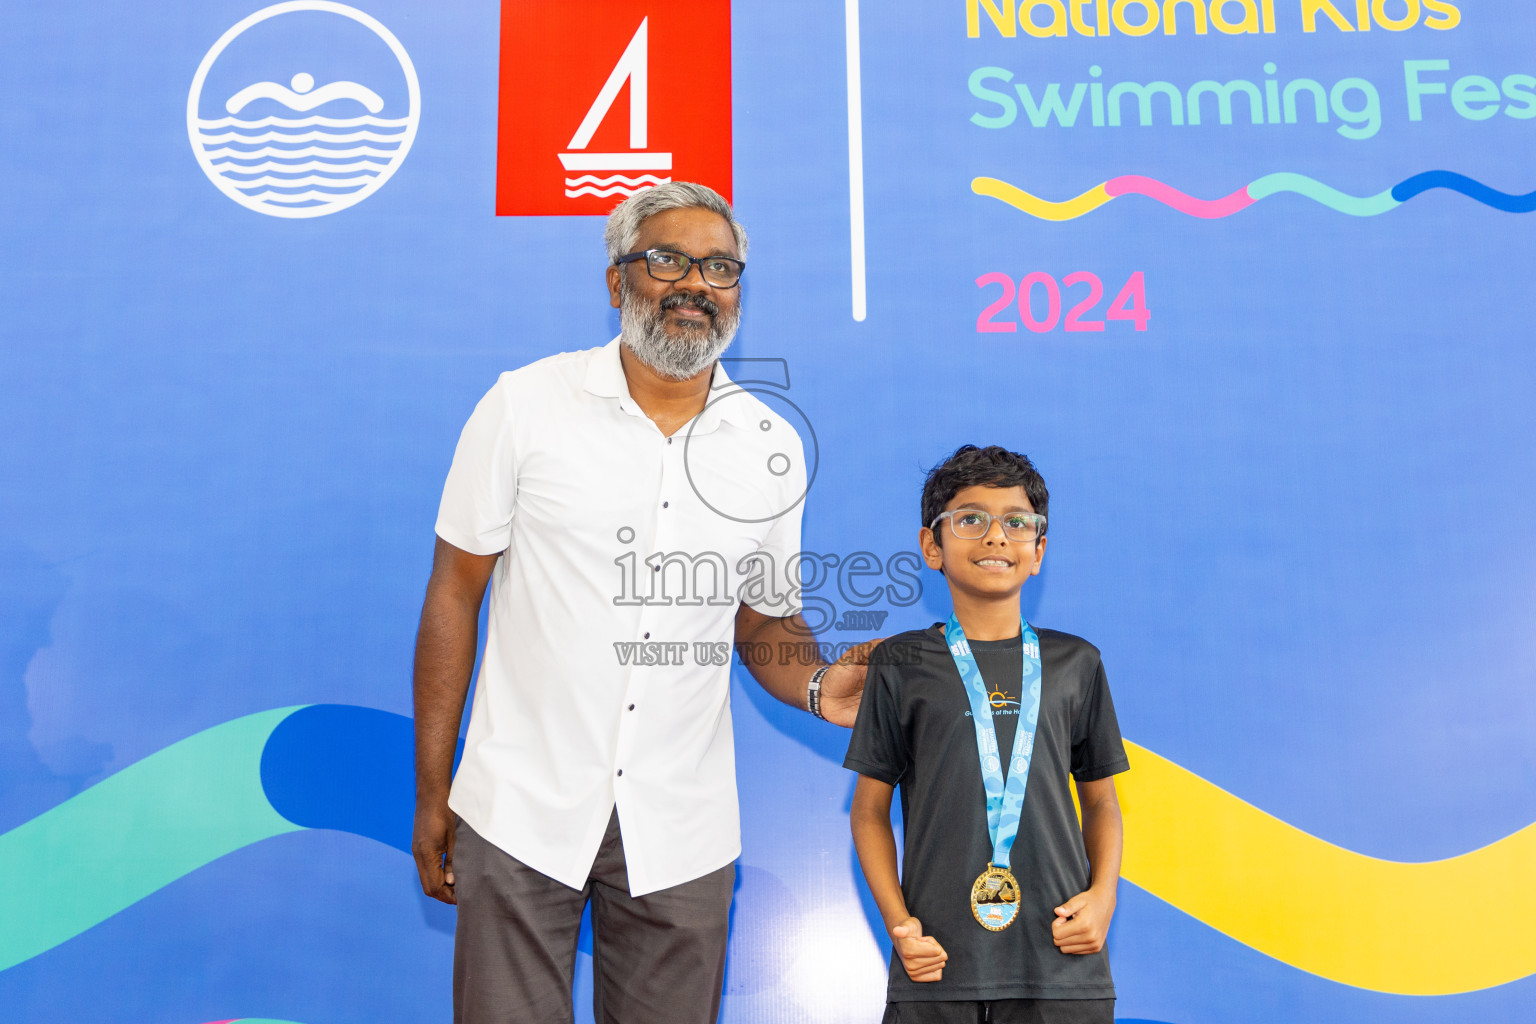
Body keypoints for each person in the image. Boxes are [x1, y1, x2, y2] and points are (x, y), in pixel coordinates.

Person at [412, 182, 871, 1024]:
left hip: (681, 823)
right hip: (519, 805)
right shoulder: (526, 404)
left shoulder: (770, 445)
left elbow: (764, 616)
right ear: (617, 281)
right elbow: (454, 594)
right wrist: (433, 791)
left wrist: (814, 686)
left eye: (721, 267)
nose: (697, 282)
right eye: (669, 259)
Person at [846, 445, 1129, 1024]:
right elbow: (869, 812)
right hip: (938, 965)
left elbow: (1100, 800)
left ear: (1038, 551)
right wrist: (901, 926)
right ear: (933, 546)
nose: (997, 537)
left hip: (1060, 964)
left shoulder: (1077, 662)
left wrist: (1103, 897)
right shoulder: (900, 662)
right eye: (971, 519)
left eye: (1017, 522)